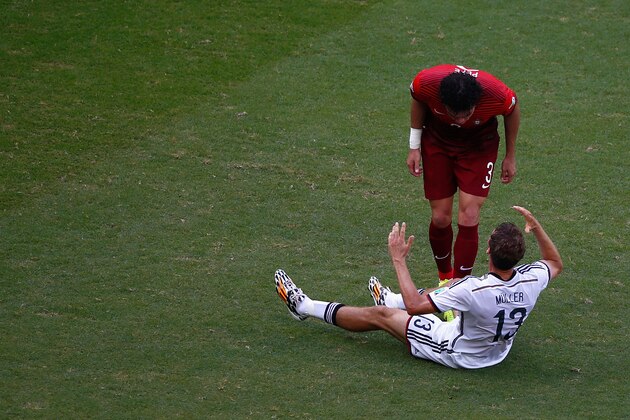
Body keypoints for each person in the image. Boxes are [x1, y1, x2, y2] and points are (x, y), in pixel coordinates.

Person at [274, 206, 562, 369]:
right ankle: (392, 298)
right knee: (450, 289)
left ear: (488, 249)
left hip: (461, 352)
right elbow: (554, 262)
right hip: (496, 347)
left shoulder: (474, 289)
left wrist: (398, 260)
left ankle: (304, 307)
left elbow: (416, 306)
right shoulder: (531, 279)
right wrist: (536, 227)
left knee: (383, 316)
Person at [407, 64, 521, 285]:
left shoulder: (496, 94)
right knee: (440, 218)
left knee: (469, 214)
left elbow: (512, 111)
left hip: (479, 145)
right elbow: (418, 99)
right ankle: (444, 278)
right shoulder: (426, 83)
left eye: (466, 114)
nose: (460, 120)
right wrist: (414, 146)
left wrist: (510, 155)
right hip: (438, 141)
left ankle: (459, 287)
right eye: (454, 114)